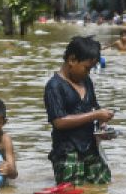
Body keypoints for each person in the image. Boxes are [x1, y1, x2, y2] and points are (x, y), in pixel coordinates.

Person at [43, 36, 115, 185]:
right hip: (67, 152)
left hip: (91, 147)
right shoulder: (54, 86)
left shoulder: (86, 81)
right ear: (72, 60)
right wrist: (95, 115)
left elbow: (94, 107)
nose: (88, 73)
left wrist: (102, 125)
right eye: (87, 68)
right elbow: (59, 122)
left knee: (102, 190)